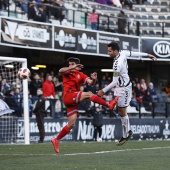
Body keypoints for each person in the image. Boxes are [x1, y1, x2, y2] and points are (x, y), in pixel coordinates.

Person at [51, 57, 118, 153]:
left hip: (73, 100)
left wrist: (94, 79)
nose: (70, 66)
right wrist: (71, 67)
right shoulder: (67, 72)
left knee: (71, 124)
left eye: (72, 64)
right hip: (68, 96)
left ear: (78, 66)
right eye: (69, 64)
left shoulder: (80, 74)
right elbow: (60, 70)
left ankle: (56, 140)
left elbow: (90, 82)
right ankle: (108, 104)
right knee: (89, 94)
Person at [97, 41, 157, 146]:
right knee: (117, 109)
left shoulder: (117, 64)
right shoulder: (123, 53)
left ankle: (126, 134)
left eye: (110, 51)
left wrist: (103, 90)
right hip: (120, 87)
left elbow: (114, 82)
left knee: (122, 112)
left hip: (124, 88)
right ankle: (127, 131)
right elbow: (134, 54)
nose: (108, 53)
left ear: (115, 51)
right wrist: (147, 55)